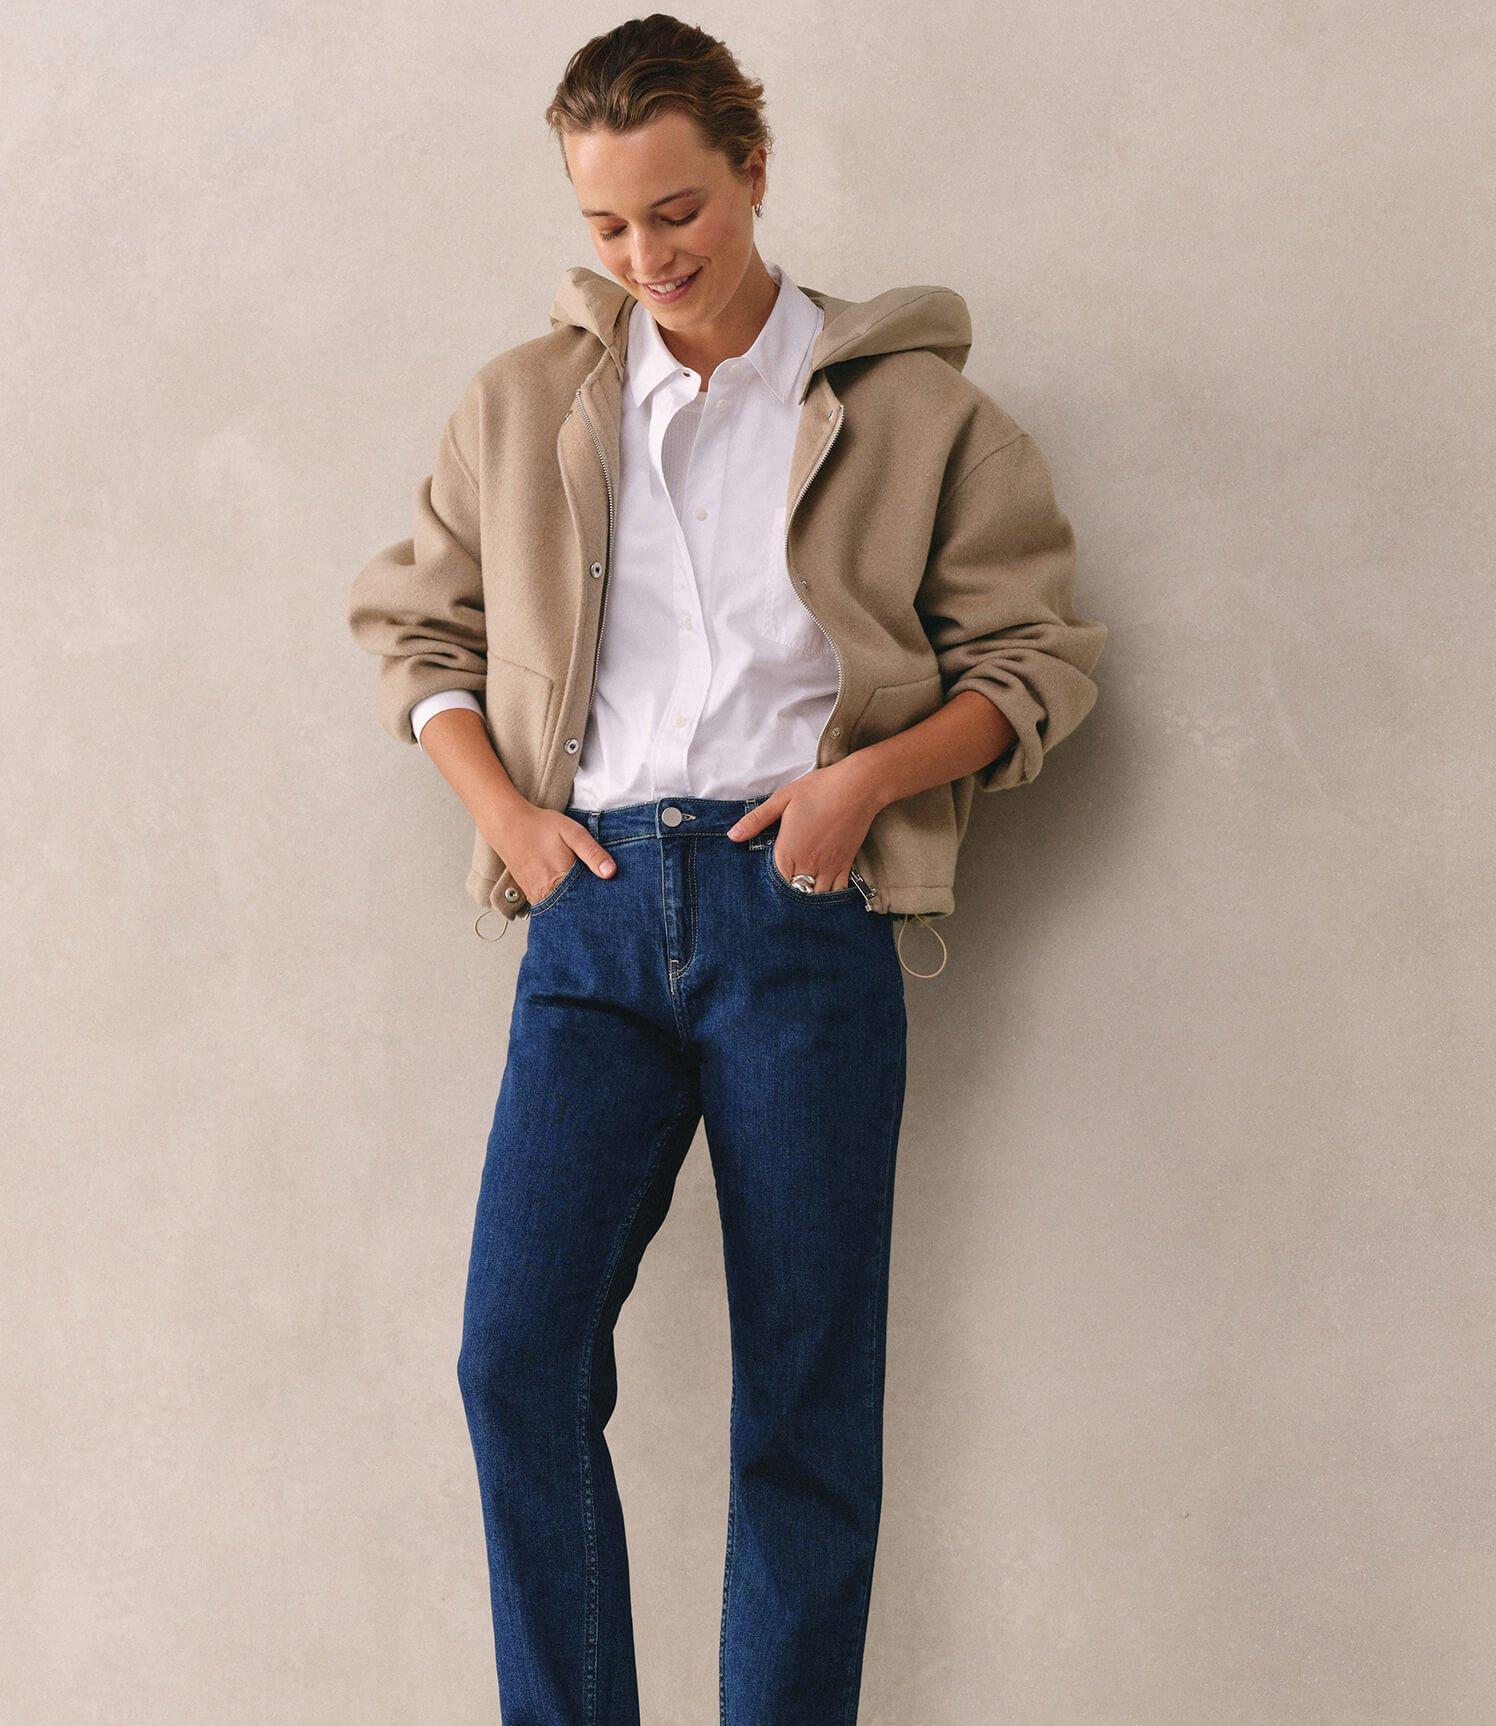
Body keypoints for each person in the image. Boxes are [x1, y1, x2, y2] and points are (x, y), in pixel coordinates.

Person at [347, 16, 1107, 1723]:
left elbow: (1038, 661)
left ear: (755, 167)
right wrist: (503, 815)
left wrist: (861, 787)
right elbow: (418, 632)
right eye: (609, 225)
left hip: (805, 908)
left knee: (806, 1403)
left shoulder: (914, 407)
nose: (646, 257)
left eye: (677, 211)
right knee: (515, 1359)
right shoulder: (529, 400)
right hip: (594, 910)